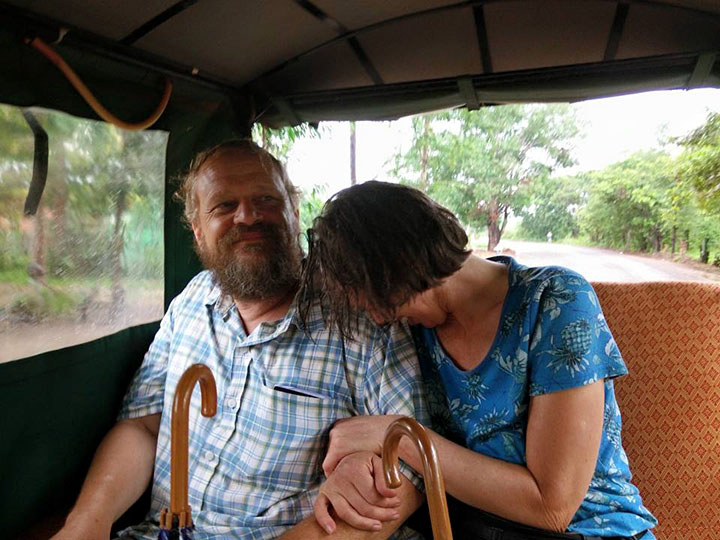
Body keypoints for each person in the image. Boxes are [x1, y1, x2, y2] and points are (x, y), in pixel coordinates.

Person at [51, 142, 428, 540]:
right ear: (198, 232)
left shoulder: (362, 317)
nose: (246, 216)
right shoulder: (191, 302)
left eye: (265, 199)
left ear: (294, 212)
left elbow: (409, 474)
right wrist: (85, 525)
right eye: (223, 206)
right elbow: (144, 425)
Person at [299, 181, 657, 540]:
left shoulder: (556, 300)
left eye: (383, 302)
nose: (379, 319)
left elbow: (552, 507)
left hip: (592, 529)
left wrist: (399, 435)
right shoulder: (416, 331)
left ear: (402, 264)